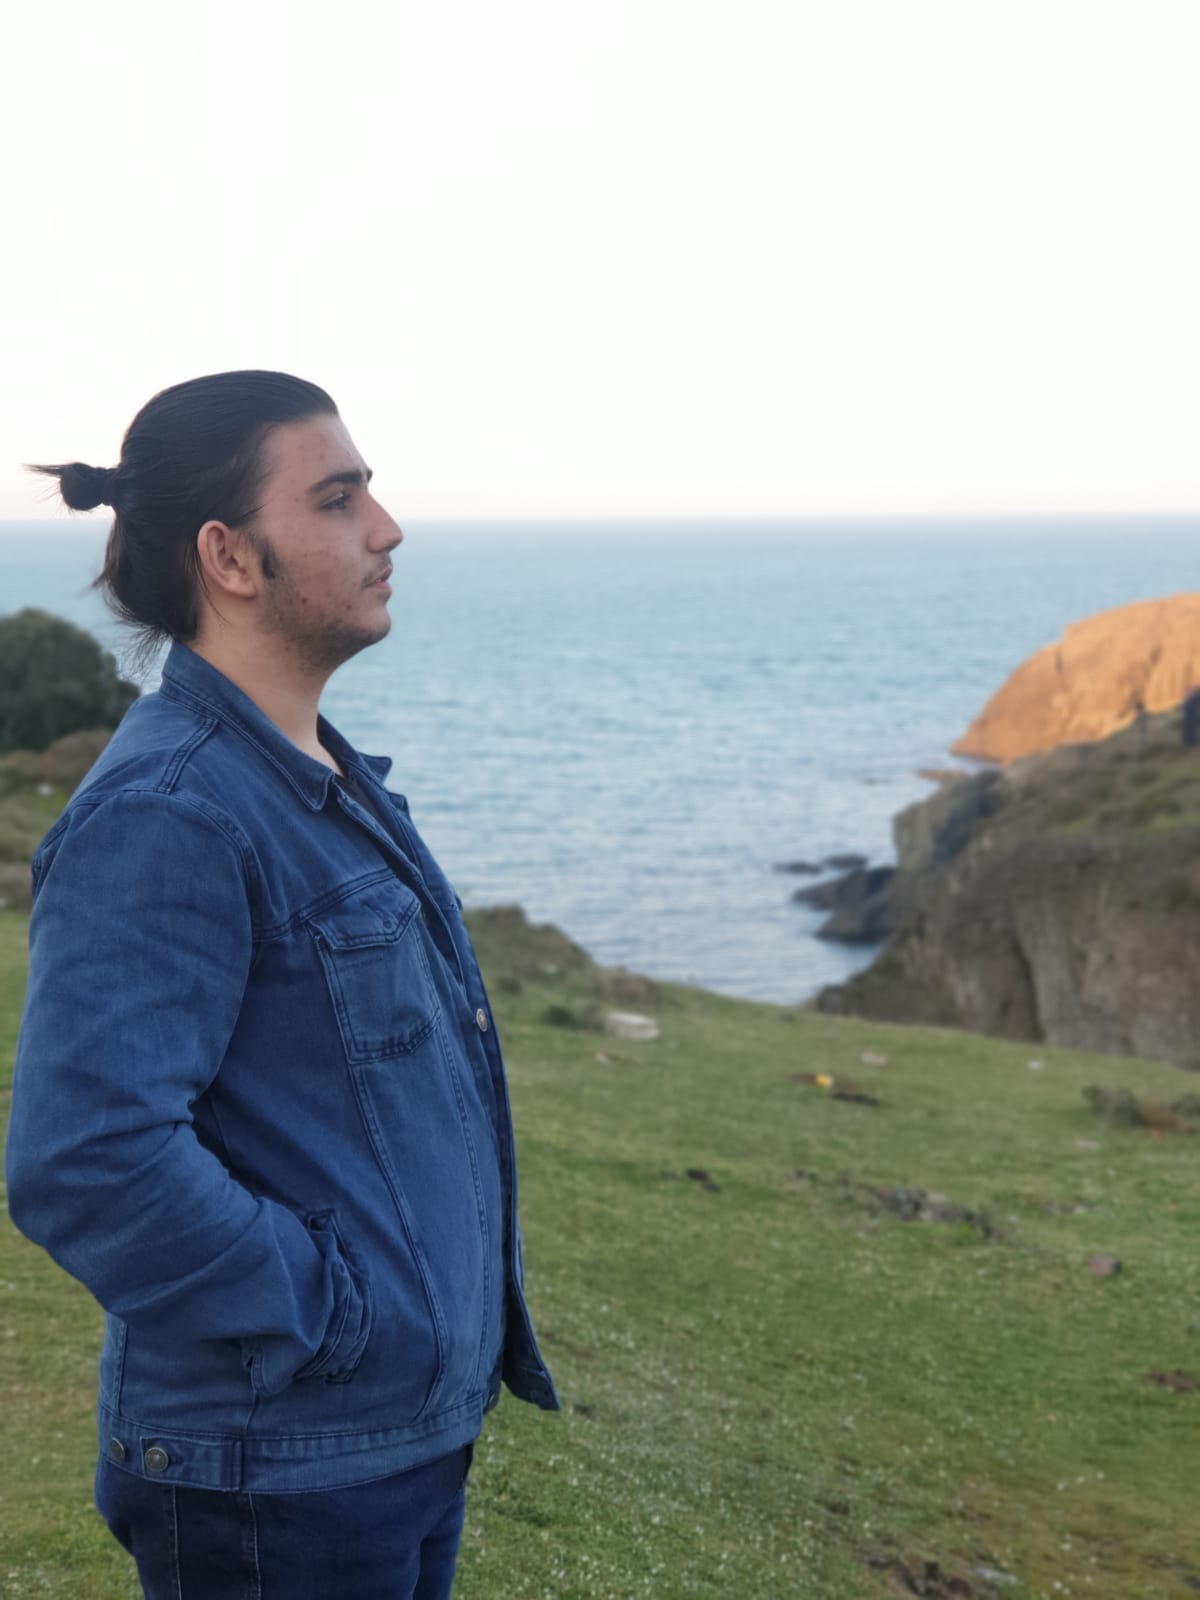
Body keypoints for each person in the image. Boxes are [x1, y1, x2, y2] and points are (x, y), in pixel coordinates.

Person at [4, 371, 559, 1600]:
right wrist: (335, 1310)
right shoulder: (169, 812)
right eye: (338, 498)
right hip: (278, 1477)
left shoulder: (311, 774)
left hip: (385, 1448)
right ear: (229, 557)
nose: (386, 528)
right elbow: (85, 1158)